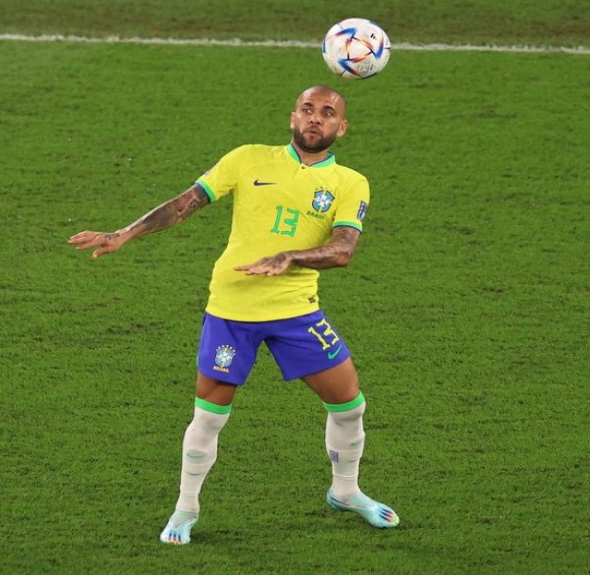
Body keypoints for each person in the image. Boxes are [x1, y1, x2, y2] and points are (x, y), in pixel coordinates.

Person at [68, 85, 399, 545]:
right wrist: (125, 233)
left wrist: (290, 257)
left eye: (327, 113)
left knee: (349, 404)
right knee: (209, 415)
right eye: (307, 110)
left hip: (297, 312)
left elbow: (343, 250)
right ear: (292, 117)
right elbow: (187, 202)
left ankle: (345, 491)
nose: (315, 119)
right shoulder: (248, 158)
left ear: (341, 127)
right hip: (232, 309)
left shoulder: (349, 182)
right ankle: (185, 509)